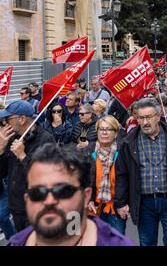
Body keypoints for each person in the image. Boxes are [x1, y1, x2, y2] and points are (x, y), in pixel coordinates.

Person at [7, 143, 135, 246]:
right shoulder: (16, 242)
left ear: (85, 196)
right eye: (37, 193)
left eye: (63, 191)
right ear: (27, 199)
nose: (49, 200)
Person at [115, 97, 167, 246]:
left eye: (149, 117)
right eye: (141, 118)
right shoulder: (128, 142)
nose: (145, 122)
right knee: (147, 242)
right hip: (143, 203)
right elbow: (122, 174)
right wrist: (121, 203)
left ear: (158, 117)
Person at [0, 101, 55, 231]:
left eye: (8, 119)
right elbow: (2, 173)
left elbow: (44, 177)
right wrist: (1, 150)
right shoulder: (12, 138)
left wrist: (22, 156)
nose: (5, 123)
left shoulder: (46, 139)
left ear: (22, 119)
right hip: (16, 206)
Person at [88, 116, 127, 235]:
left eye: (109, 129)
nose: (104, 132)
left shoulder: (123, 153)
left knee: (116, 241)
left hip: (116, 207)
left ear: (115, 134)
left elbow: (128, 180)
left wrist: (125, 203)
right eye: (101, 129)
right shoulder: (88, 152)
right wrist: (88, 199)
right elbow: (82, 179)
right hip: (94, 207)